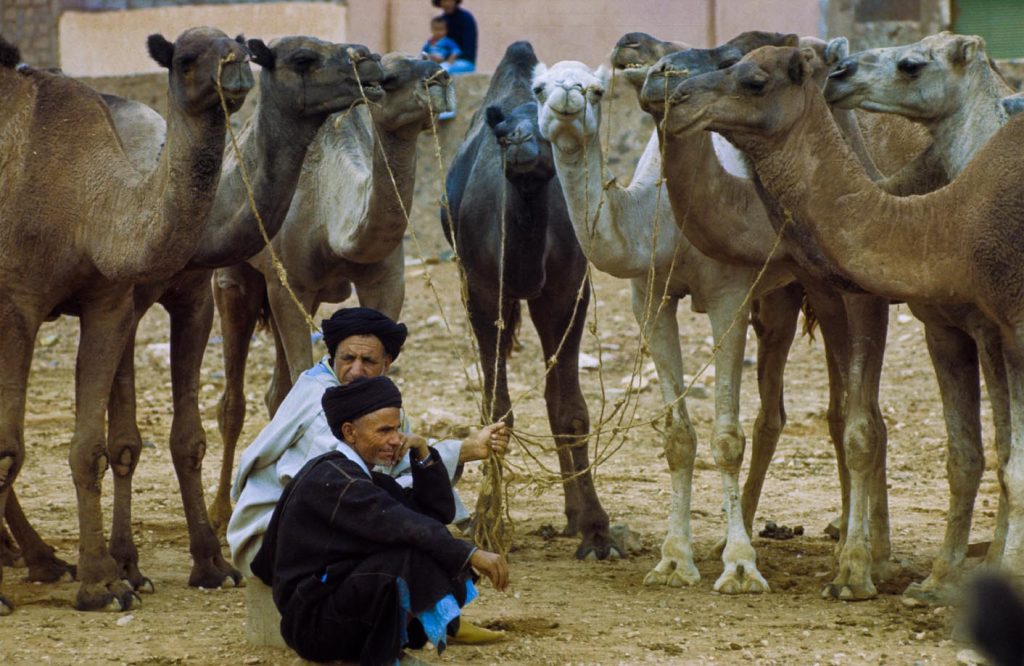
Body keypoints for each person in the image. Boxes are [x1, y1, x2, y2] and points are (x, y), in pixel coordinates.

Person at [227, 307, 508, 644]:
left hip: (327, 525)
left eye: (368, 361)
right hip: (277, 538)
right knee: (403, 529)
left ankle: (434, 611)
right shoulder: (325, 410)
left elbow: (398, 464)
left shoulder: (366, 401)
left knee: (412, 504)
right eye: (348, 359)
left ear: (386, 363)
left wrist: (447, 450)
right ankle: (429, 614)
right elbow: (365, 500)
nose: (356, 370)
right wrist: (466, 553)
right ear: (333, 358)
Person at [251, 376, 510, 665]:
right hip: (314, 624)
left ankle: (387, 648)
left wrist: (422, 450)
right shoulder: (337, 480)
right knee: (409, 556)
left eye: (397, 429)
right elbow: (405, 524)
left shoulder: (360, 476)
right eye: (384, 430)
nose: (396, 439)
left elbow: (432, 515)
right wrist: (471, 554)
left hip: (326, 610)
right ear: (350, 432)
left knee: (425, 544)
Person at [432, 0, 477, 74]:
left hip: (465, 62)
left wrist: (446, 58)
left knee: (440, 71)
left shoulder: (466, 18)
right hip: (445, 63)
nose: (447, 3)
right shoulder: (442, 21)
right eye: (444, 1)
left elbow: (468, 51)